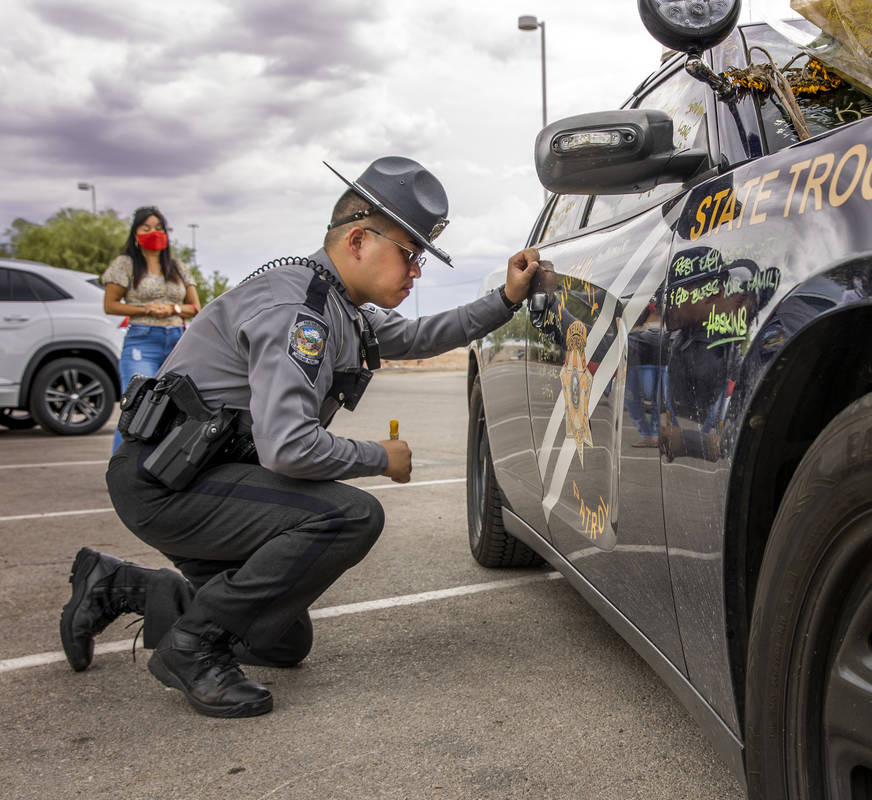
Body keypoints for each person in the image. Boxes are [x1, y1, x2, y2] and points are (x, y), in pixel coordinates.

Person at [60, 156, 537, 718]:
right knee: (351, 515)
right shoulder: (300, 311)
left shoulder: (338, 304)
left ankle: (119, 585)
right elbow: (286, 448)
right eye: (409, 254)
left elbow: (422, 335)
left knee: (281, 642)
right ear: (359, 239)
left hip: (203, 476)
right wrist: (379, 458)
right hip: (169, 483)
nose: (417, 272)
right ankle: (189, 650)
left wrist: (506, 297)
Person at [102, 206, 201, 451]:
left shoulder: (177, 267)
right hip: (143, 341)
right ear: (136, 234)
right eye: (146, 228)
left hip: (177, 341)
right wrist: (147, 309)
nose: (153, 232)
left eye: (158, 228)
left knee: (178, 407)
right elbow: (111, 305)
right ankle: (122, 472)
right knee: (137, 405)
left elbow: (194, 307)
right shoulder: (125, 264)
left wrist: (173, 309)